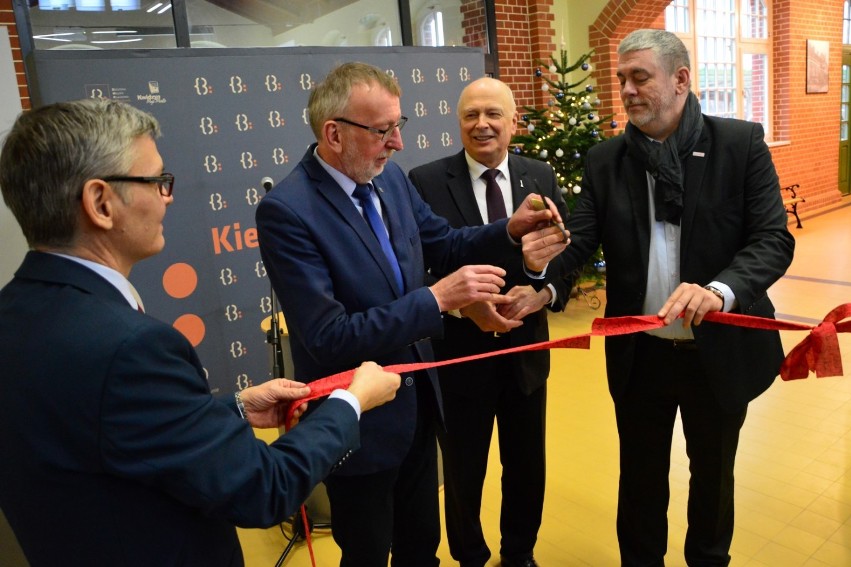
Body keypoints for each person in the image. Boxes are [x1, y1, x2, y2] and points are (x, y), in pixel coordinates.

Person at [0, 98, 402, 567]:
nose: (168, 197)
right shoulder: (133, 348)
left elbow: (107, 428)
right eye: (156, 181)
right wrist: (351, 402)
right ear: (100, 203)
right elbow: (262, 487)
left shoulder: (16, 315)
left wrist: (230, 408)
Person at [255, 62, 568, 567]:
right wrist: (438, 300)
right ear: (334, 133)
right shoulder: (288, 211)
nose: (398, 143)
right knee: (369, 552)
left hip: (419, 408)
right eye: (383, 131)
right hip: (358, 426)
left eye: (399, 127)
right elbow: (327, 336)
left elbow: (445, 243)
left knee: (422, 546)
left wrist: (509, 229)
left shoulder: (390, 179)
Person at [561, 29, 795, 566]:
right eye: (620, 79)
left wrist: (718, 290)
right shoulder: (606, 160)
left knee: (713, 478)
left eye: (639, 77)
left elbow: (772, 239)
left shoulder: (738, 145)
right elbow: (579, 243)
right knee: (640, 481)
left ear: (681, 80)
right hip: (641, 354)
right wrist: (542, 280)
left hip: (717, 353)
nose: (626, 90)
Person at [408, 77, 572, 567]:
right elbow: (419, 265)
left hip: (525, 352)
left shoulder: (539, 175)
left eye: (493, 114)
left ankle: (519, 552)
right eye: (470, 115)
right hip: (460, 356)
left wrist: (543, 290)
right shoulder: (426, 181)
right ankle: (470, 555)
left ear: (514, 122)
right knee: (463, 469)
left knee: (526, 464)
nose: (482, 124)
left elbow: (565, 252)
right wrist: (463, 306)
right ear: (458, 124)